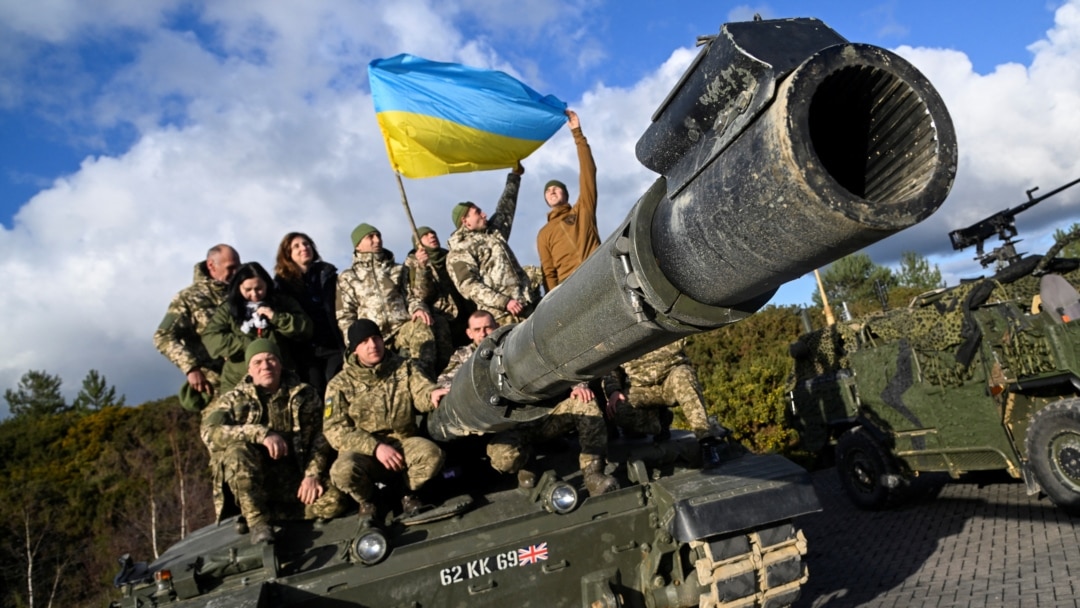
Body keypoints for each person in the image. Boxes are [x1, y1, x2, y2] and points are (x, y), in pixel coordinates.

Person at [438, 310, 618, 496]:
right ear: (469, 333)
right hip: (509, 428)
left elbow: (556, 361)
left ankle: (593, 473)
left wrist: (578, 386)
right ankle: (526, 463)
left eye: (487, 327)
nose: (483, 333)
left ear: (496, 327)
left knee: (585, 403)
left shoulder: (514, 348)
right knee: (503, 458)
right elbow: (445, 381)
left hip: (544, 416)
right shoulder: (463, 358)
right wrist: (437, 391)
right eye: (477, 329)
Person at [200, 339, 345, 544]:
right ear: (249, 369)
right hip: (252, 482)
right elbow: (210, 433)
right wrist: (260, 433)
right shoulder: (232, 400)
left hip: (294, 479)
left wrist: (312, 475)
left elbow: (322, 437)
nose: (265, 366)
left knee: (335, 501)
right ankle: (258, 522)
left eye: (271, 359)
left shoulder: (304, 394)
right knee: (237, 452)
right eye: (258, 362)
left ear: (280, 364)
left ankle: (272, 515)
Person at [323, 319, 449, 521]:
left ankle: (406, 492)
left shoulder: (404, 367)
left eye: (375, 338)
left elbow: (421, 389)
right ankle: (370, 500)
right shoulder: (339, 385)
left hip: (402, 444)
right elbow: (335, 430)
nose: (373, 345)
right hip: (363, 452)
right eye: (364, 342)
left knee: (431, 455)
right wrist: (375, 447)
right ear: (355, 349)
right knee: (342, 472)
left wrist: (432, 395)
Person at [336, 223, 438, 378]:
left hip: (401, 329)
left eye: (378, 236)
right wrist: (355, 342)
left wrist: (418, 308)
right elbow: (345, 316)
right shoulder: (348, 277)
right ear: (358, 246)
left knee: (422, 325)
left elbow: (412, 296)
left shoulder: (397, 269)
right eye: (370, 237)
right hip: (371, 338)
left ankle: (424, 378)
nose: (377, 240)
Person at [154, 244, 240, 411]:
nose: (236, 273)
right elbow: (163, 336)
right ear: (211, 265)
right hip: (216, 390)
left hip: (248, 385)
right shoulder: (189, 298)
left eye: (239, 267)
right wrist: (191, 368)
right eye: (231, 268)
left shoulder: (245, 293)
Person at [447, 165, 537, 325]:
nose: (484, 214)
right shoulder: (459, 251)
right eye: (477, 212)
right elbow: (469, 286)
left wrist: (514, 176)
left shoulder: (493, 233)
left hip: (526, 307)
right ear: (465, 221)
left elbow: (505, 208)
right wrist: (504, 302)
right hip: (500, 317)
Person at [203, 262, 312, 393]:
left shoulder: (283, 303)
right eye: (248, 290)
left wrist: (276, 318)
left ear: (267, 284)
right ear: (238, 288)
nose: (254, 295)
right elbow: (211, 337)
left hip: (282, 378)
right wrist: (248, 345)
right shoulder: (228, 310)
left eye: (259, 288)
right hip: (238, 380)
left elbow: (305, 329)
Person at [273, 232, 345, 397]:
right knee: (314, 392)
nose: (303, 248)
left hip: (332, 344)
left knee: (336, 390)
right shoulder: (281, 286)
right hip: (303, 351)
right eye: (296, 246)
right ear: (287, 254)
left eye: (306, 244)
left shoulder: (328, 275)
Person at [536, 109, 600, 292]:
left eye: (556, 188)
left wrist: (577, 134)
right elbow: (548, 273)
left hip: (598, 273)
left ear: (565, 194)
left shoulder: (582, 210)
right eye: (547, 190)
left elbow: (588, 173)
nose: (552, 191)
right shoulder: (543, 234)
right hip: (569, 291)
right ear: (546, 200)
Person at [604, 339, 715, 442]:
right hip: (640, 389)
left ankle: (705, 437)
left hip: (670, 381)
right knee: (617, 409)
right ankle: (659, 422)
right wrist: (614, 391)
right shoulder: (621, 335)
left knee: (683, 373)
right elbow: (612, 368)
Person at [404, 226, 472, 368]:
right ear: (417, 244)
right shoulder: (411, 265)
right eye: (425, 235)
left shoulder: (451, 256)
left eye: (433, 233)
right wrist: (423, 268)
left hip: (466, 312)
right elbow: (421, 295)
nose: (431, 236)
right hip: (443, 318)